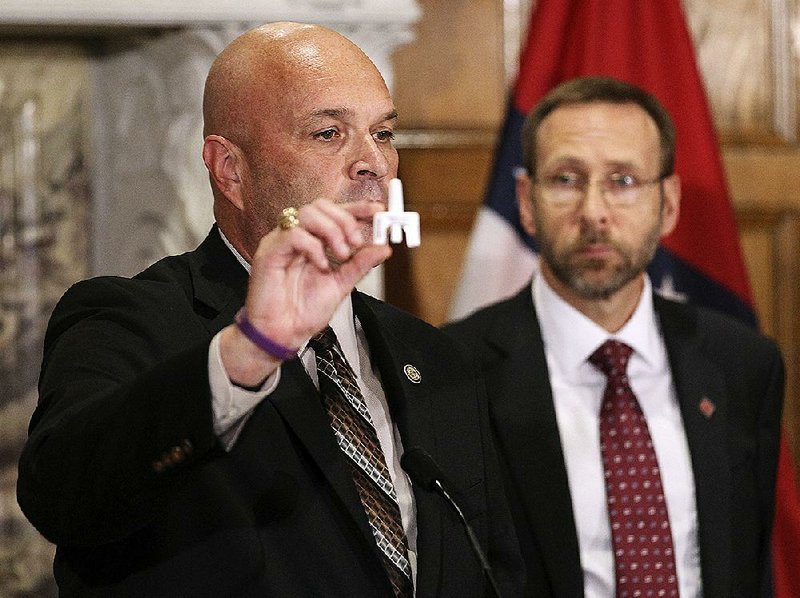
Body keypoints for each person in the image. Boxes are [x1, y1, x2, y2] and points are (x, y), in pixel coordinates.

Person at [17, 22, 523, 597]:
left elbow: (494, 572)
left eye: (383, 134)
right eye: (329, 133)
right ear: (230, 169)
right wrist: (250, 350)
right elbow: (63, 497)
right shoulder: (129, 319)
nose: (374, 163)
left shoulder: (433, 356)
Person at [444, 76, 784, 598]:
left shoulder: (743, 364)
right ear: (526, 202)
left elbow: (749, 567)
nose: (594, 212)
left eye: (623, 181)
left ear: (667, 203)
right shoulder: (453, 371)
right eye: (565, 179)